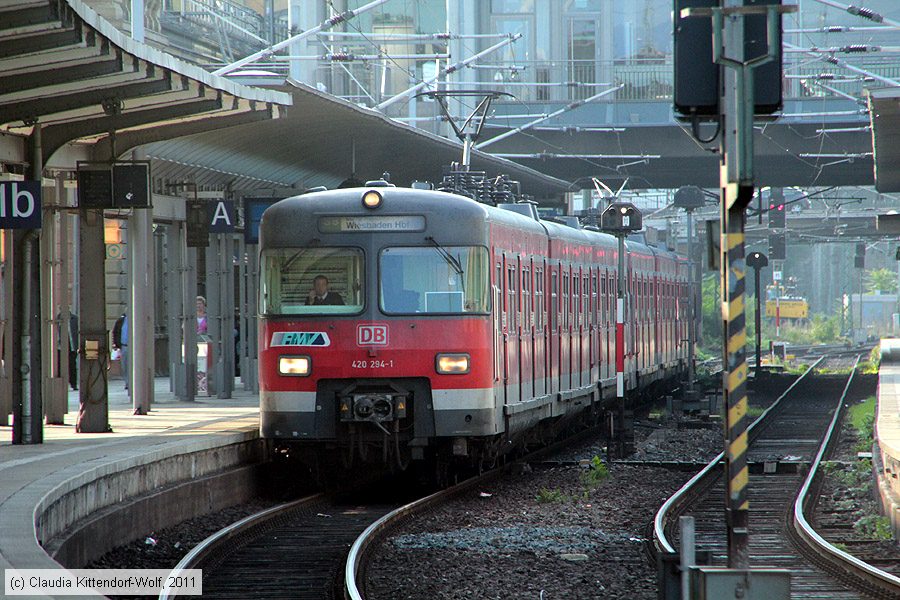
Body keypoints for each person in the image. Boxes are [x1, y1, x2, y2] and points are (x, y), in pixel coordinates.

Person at [112, 312, 128, 391]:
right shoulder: (120, 321)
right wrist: (116, 344)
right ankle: (127, 382)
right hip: (124, 346)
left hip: (134, 346)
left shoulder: (137, 320)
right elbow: (115, 332)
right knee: (125, 365)